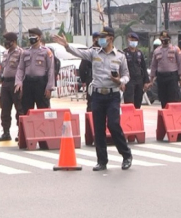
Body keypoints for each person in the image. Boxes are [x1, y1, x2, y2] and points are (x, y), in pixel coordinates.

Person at [53, 27, 133, 171]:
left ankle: (126, 155)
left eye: (103, 37)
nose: (100, 39)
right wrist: (66, 45)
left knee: (114, 125)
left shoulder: (120, 56)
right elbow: (78, 52)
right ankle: (102, 161)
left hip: (112, 95)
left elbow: (127, 75)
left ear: (111, 38)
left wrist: (120, 81)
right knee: (99, 128)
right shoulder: (94, 52)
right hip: (97, 95)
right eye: (99, 37)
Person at [14, 28, 54, 114]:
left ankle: (44, 128)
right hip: (28, 83)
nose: (31, 38)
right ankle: (28, 127)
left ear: (39, 37)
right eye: (30, 36)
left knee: (43, 110)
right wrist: (19, 82)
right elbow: (20, 69)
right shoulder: (25, 52)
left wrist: (49, 87)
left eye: (33, 36)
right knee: (26, 110)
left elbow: (51, 69)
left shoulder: (46, 52)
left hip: (41, 83)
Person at [0, 32, 23, 141]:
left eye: (8, 40)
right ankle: (6, 132)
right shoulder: (6, 53)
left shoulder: (21, 52)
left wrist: (21, 84)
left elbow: (22, 70)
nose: (6, 43)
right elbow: (2, 69)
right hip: (5, 83)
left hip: (15, 84)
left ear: (14, 41)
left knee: (19, 109)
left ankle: (21, 133)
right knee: (5, 109)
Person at [149, 30, 181, 108]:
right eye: (162, 38)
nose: (164, 40)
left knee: (173, 98)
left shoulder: (175, 49)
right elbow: (153, 66)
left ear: (169, 39)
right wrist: (151, 79)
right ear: (160, 39)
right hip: (161, 77)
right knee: (163, 98)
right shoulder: (157, 51)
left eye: (166, 38)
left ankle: (173, 117)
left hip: (172, 77)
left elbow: (180, 64)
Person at [123, 32, 150, 108]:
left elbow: (144, 68)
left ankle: (137, 118)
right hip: (129, 80)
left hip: (139, 80)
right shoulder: (124, 53)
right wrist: (122, 82)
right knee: (129, 102)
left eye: (135, 40)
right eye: (132, 40)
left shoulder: (139, 53)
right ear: (128, 40)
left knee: (138, 101)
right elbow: (121, 68)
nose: (133, 42)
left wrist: (146, 82)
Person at [79, 32, 100, 112]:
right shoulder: (89, 52)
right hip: (91, 79)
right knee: (91, 101)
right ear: (94, 39)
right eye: (97, 38)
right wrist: (83, 80)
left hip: (102, 80)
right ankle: (90, 120)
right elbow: (82, 67)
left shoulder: (104, 51)